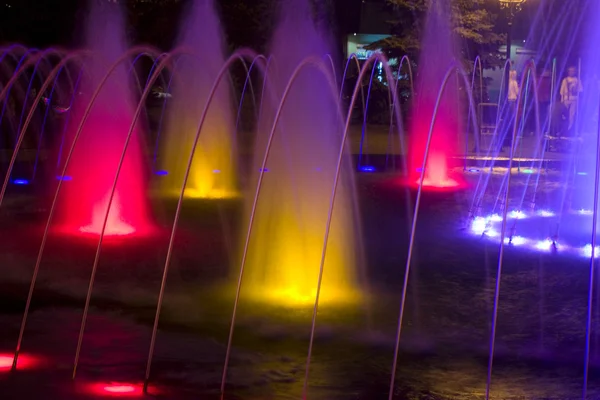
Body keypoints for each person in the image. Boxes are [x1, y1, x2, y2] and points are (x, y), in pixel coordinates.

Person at [560, 66, 583, 135]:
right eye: (570, 71)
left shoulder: (577, 80)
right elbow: (562, 91)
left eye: (573, 71)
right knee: (564, 115)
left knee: (572, 115)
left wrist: (576, 90)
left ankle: (570, 129)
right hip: (566, 99)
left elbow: (580, 90)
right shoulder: (565, 80)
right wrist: (562, 99)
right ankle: (564, 129)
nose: (572, 72)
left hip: (574, 99)